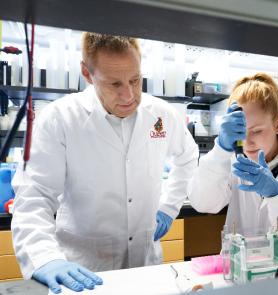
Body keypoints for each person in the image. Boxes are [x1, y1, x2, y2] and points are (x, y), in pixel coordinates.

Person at [11, 33, 198, 293]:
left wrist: (168, 206)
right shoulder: (59, 119)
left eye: (135, 80)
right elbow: (34, 197)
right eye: (114, 84)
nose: (129, 95)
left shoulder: (162, 114)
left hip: (146, 266)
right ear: (87, 73)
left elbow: (188, 156)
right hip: (82, 271)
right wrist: (45, 258)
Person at [189, 72, 278, 252]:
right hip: (239, 268)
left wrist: (277, 195)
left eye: (257, 131)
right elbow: (203, 203)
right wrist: (220, 149)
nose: (247, 142)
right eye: (241, 131)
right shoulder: (231, 159)